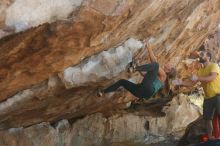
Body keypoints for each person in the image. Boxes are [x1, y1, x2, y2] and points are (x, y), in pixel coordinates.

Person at [98, 40, 176, 100]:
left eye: (170, 65)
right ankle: (102, 92)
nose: (169, 63)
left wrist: (149, 47)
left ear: (169, 70)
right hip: (142, 93)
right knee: (122, 82)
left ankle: (134, 68)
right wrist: (139, 68)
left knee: (155, 65)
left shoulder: (164, 75)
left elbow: (155, 63)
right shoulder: (158, 77)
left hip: (147, 88)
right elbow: (145, 76)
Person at [173, 48, 220, 141]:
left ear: (208, 57)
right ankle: (210, 138)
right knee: (207, 119)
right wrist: (180, 82)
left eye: (202, 54)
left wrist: (197, 77)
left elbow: (211, 78)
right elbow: (191, 83)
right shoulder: (200, 71)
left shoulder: (214, 66)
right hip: (207, 98)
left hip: (218, 95)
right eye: (200, 54)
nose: (200, 55)